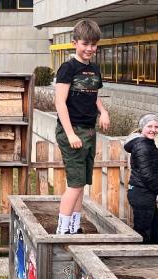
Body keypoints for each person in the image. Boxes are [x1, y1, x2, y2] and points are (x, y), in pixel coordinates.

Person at [54, 19, 110, 234]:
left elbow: (94, 96)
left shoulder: (94, 69)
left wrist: (103, 111)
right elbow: (59, 102)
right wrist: (69, 134)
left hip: (88, 130)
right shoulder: (68, 68)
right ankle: (62, 231)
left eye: (94, 44)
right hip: (72, 131)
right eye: (85, 44)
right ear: (74, 43)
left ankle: (75, 227)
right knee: (75, 184)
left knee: (82, 183)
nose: (90, 49)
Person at [123, 114, 158, 244]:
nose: (153, 129)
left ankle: (157, 259)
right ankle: (137, 262)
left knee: (157, 234)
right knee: (143, 233)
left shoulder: (146, 143)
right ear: (142, 128)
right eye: (149, 126)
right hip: (142, 194)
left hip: (145, 194)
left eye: (156, 126)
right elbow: (147, 175)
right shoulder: (143, 146)